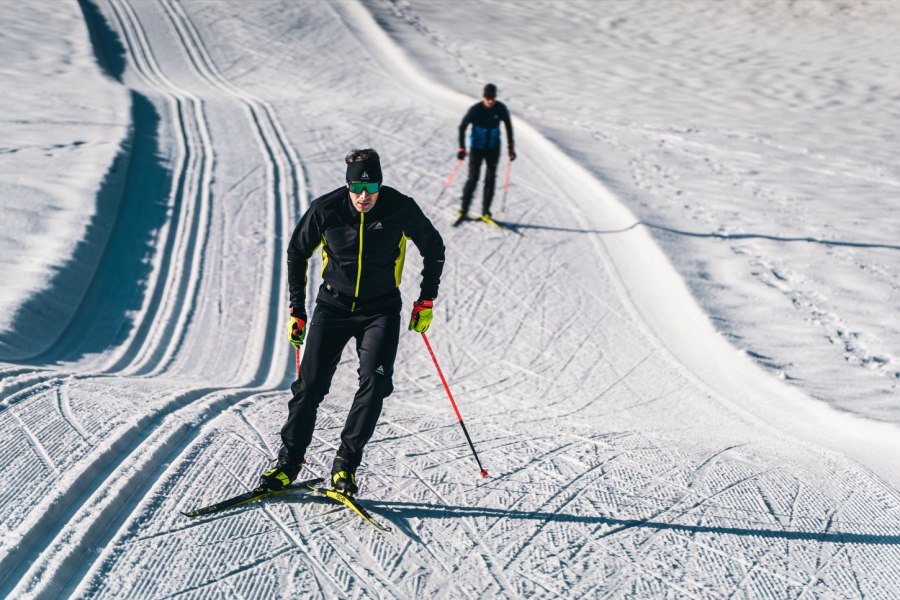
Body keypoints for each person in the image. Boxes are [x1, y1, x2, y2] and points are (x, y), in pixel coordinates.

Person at [258, 148, 445, 496]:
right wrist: (297, 309)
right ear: (347, 186)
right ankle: (288, 463)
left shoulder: (399, 207)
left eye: (371, 188)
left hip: (380, 309)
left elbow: (434, 248)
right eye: (357, 188)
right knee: (309, 387)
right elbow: (297, 252)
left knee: (375, 383)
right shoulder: (325, 209)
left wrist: (426, 299)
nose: (364, 196)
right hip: (333, 306)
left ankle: (345, 465)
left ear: (380, 185)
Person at [455, 83, 516, 225]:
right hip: (477, 148)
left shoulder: (500, 108)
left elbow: (508, 127)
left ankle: (485, 212)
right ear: (484, 97)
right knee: (473, 177)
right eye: (488, 97)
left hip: (493, 148)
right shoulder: (475, 110)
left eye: (493, 97)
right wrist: (462, 147)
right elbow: (462, 127)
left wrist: (510, 147)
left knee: (490, 179)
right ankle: (463, 209)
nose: (490, 100)